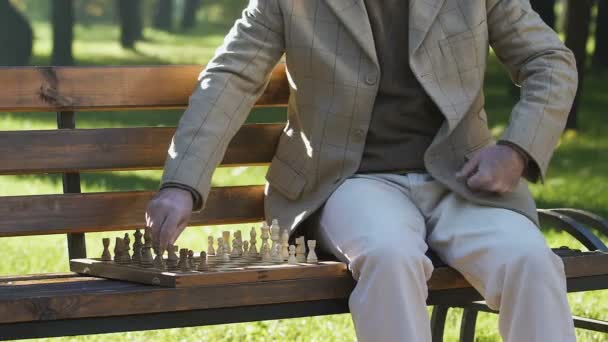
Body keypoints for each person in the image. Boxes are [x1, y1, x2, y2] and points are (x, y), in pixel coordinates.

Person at [145, 0, 578, 341]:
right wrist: (182, 183)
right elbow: (230, 77)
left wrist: (516, 150)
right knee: (389, 256)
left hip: (460, 178)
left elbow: (549, 60)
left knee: (529, 260)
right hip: (347, 181)